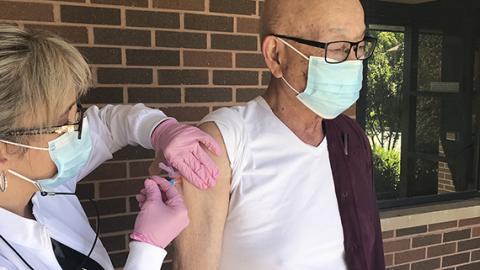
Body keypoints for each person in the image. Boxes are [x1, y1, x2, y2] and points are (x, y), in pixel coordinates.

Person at [171, 0, 386, 269]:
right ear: (275, 55)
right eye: (338, 47)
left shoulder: (351, 139)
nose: (354, 62)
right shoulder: (224, 144)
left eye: (360, 45)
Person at [0, 25, 221, 269]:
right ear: (4, 150)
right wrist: (148, 249)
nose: (80, 130)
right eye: (64, 124)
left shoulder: (41, 179)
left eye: (77, 114)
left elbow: (108, 124)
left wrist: (159, 129)